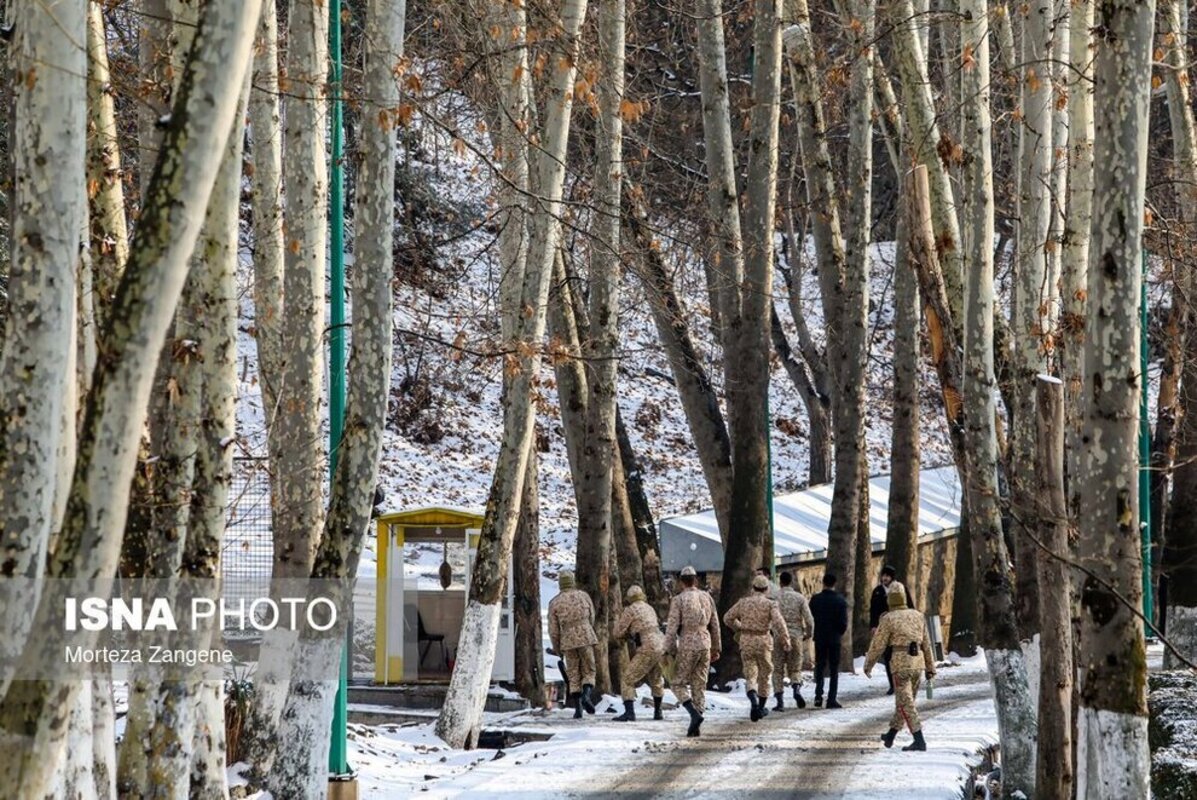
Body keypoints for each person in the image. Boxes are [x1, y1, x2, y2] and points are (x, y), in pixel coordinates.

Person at [864, 587, 937, 751]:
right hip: (917, 663)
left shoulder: (888, 618)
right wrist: (930, 667)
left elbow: (878, 644)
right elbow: (927, 644)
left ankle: (919, 740)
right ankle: (891, 735)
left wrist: (868, 664)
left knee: (906, 704)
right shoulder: (918, 616)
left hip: (900, 663)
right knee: (904, 702)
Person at [724, 574, 791, 721]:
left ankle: (753, 702)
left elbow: (727, 618)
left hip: (746, 640)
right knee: (765, 674)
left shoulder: (743, 603)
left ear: (753, 588)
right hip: (764, 640)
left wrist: (740, 628)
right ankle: (760, 707)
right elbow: (779, 622)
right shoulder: (770, 604)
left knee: (750, 674)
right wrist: (785, 639)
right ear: (766, 589)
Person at [665, 565, 721, 737]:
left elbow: (672, 627)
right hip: (705, 641)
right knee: (699, 684)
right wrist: (716, 647)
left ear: (682, 582)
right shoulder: (707, 597)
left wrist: (670, 649)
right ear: (696, 580)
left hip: (688, 643)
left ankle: (693, 714)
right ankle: (696, 725)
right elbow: (715, 624)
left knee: (677, 683)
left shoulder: (679, 600)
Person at [547, 570, 598, 719]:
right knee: (589, 669)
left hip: (568, 639)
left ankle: (578, 709)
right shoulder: (583, 596)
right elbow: (592, 616)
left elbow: (553, 630)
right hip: (586, 635)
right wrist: (587, 629)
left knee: (573, 673)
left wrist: (557, 648)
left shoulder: (554, 602)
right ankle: (587, 695)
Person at [612, 584, 665, 722]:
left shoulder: (630, 610)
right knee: (656, 678)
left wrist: (627, 634)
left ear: (629, 598)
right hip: (660, 644)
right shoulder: (649, 608)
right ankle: (658, 712)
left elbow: (618, 632)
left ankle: (629, 713)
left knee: (628, 679)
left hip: (646, 647)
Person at [771, 570, 814, 710]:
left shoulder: (774, 598)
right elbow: (810, 620)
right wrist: (808, 633)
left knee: (777, 669)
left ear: (780, 582)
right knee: (795, 668)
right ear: (791, 582)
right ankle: (796, 689)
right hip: (796, 636)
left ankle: (779, 701)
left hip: (778, 636)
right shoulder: (800, 598)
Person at [869, 565, 914, 695]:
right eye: (883, 576)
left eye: (887, 576)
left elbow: (910, 606)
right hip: (885, 628)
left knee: (902, 655)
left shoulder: (901, 589)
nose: (885, 578)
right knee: (888, 656)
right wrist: (873, 626)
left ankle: (904, 682)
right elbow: (873, 610)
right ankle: (892, 684)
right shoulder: (877, 591)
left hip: (900, 628)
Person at [808, 572, 848, 709]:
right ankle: (831, 698)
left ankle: (818, 695)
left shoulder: (815, 600)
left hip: (820, 637)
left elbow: (810, 617)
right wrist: (838, 633)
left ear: (823, 583)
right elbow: (843, 623)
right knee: (834, 669)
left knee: (820, 666)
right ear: (834, 584)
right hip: (834, 638)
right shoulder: (840, 600)